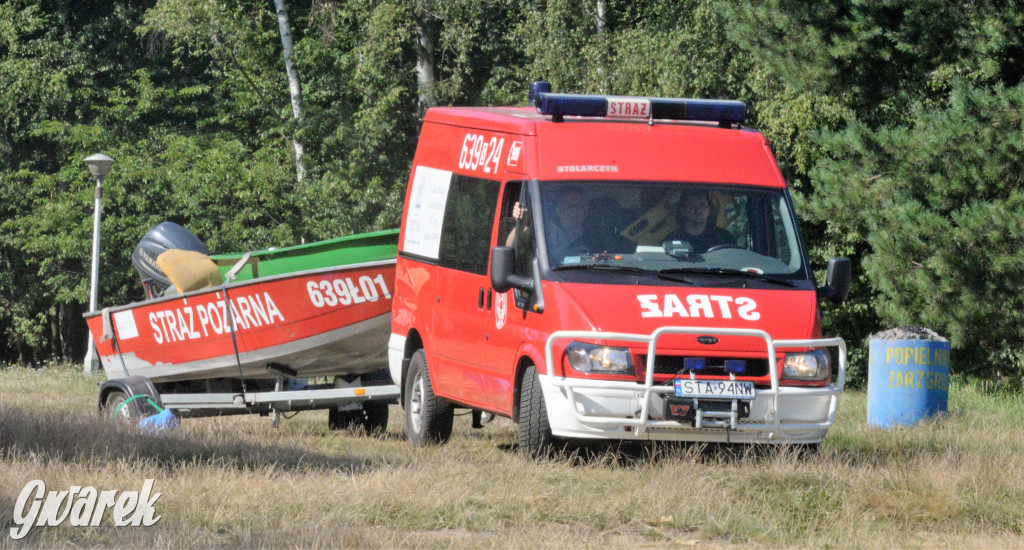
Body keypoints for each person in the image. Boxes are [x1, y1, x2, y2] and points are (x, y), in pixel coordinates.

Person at [669, 190, 734, 253]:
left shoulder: (724, 238)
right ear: (683, 210)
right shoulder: (672, 240)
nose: (698, 210)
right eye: (692, 206)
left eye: (702, 205)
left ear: (709, 210)